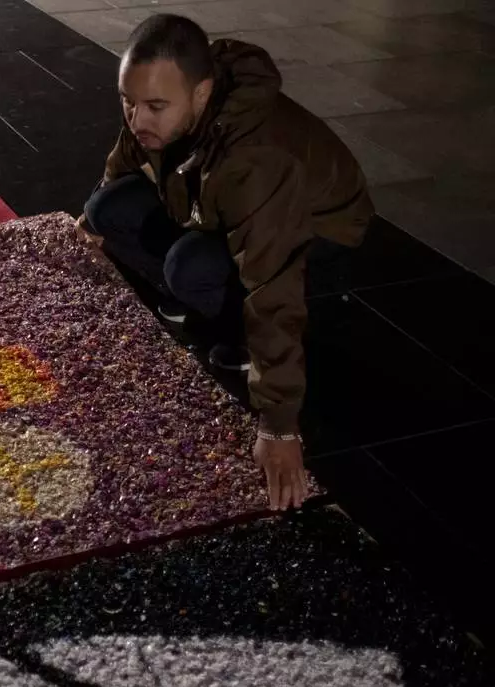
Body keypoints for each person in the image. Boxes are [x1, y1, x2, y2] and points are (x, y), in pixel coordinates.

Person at [75, 14, 373, 512]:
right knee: (108, 208)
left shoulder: (255, 159)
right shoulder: (168, 107)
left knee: (189, 268)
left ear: (201, 92)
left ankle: (235, 328)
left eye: (155, 106)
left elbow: (272, 284)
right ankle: (192, 291)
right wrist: (90, 220)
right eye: (128, 101)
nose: (138, 119)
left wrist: (278, 425)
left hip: (316, 232)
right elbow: (127, 151)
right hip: (223, 205)